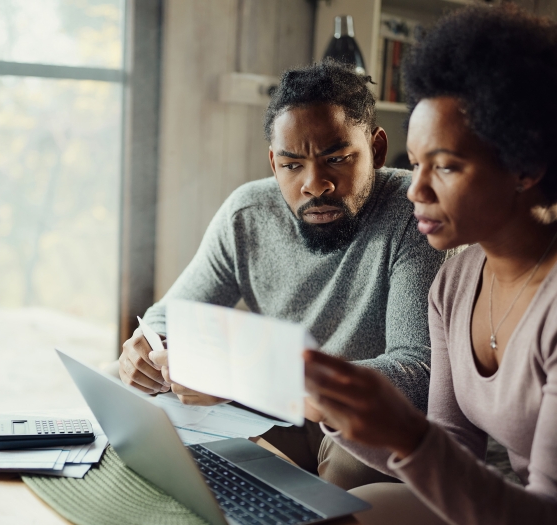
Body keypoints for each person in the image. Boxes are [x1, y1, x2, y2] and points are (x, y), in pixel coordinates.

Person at [119, 59, 446, 490]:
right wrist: (145, 350)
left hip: (363, 423)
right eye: (293, 165)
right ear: (273, 163)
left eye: (338, 158)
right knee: (167, 445)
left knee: (356, 468)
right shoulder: (247, 214)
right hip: (275, 410)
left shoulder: (414, 214)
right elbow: (169, 315)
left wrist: (249, 374)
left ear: (377, 150)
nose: (315, 184)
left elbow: (416, 373)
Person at [303, 5, 557, 524]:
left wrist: (405, 432)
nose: (416, 189)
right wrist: (341, 415)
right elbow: (451, 451)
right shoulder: (456, 281)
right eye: (415, 163)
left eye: (444, 165)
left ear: (526, 165)